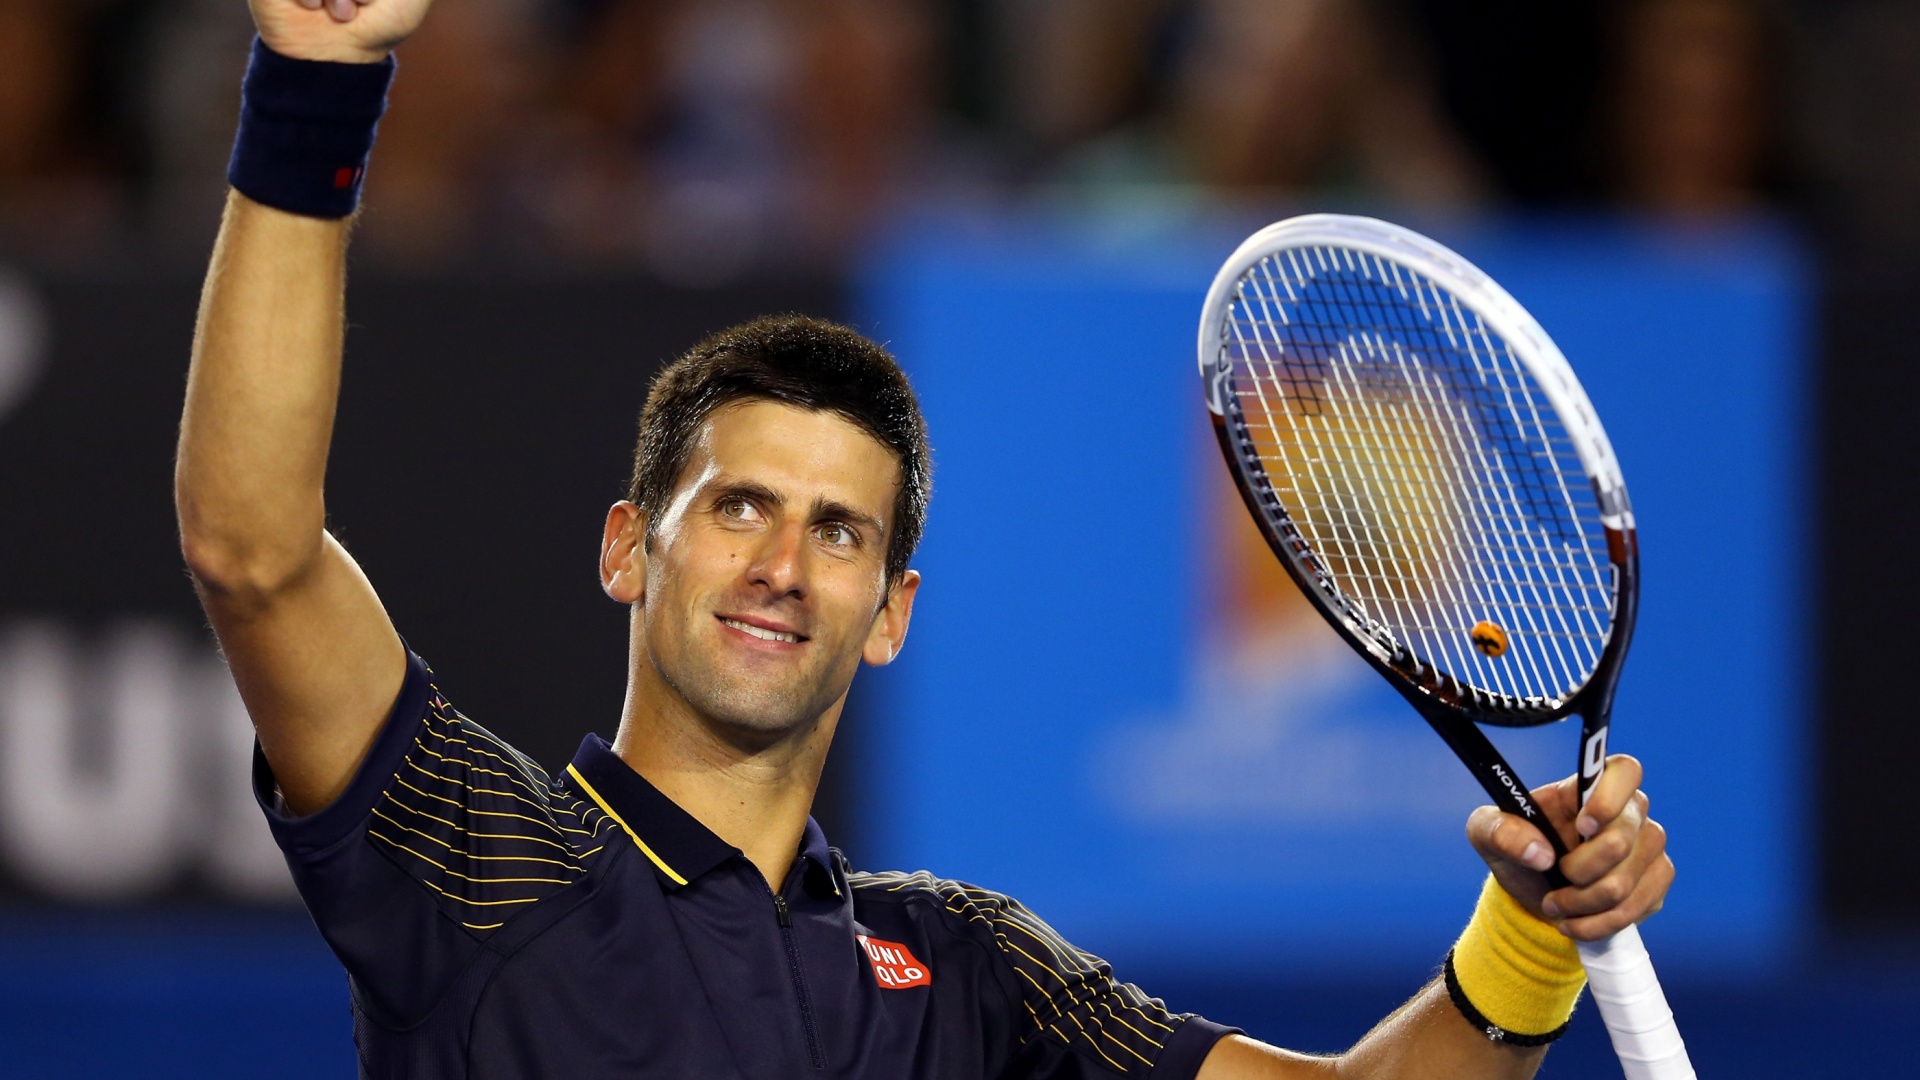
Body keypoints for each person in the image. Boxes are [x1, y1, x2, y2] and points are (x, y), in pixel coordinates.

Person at [174, 0, 1676, 1077]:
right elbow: (255, 550)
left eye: (840, 533)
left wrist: (1530, 935)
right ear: (630, 548)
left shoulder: (974, 974)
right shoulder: (482, 855)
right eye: (741, 507)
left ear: (890, 613)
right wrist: (314, 84)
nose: (782, 565)